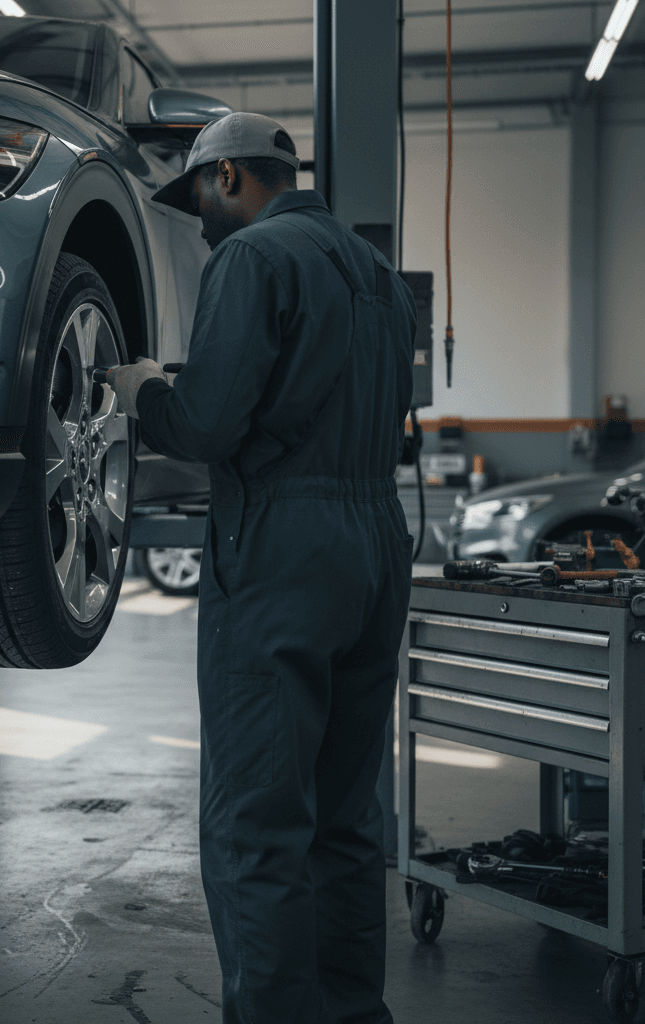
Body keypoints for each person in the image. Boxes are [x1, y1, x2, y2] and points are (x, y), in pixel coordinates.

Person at [107, 112, 417, 1024]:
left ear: (232, 176)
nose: (198, 218)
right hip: (374, 543)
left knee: (257, 821)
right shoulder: (379, 277)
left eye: (199, 195)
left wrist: (145, 395)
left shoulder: (251, 259)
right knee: (346, 820)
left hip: (284, 548)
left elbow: (207, 426)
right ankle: (354, 1014)